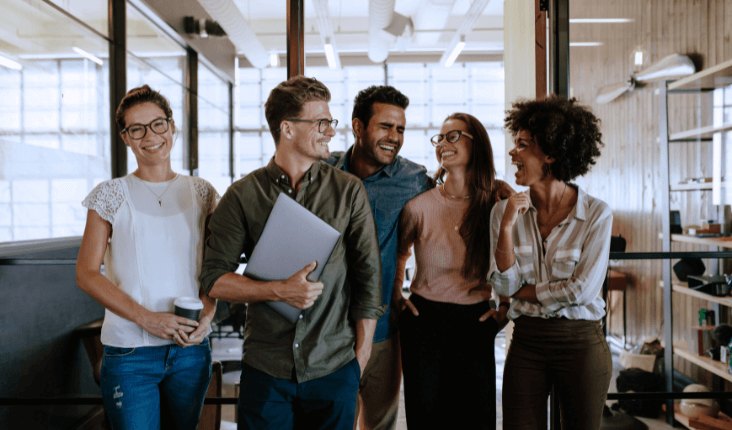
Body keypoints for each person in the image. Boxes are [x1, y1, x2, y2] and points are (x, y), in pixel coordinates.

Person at [199, 75, 384, 430]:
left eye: (331, 122)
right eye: (321, 122)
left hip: (334, 364)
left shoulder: (348, 191)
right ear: (287, 128)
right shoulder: (243, 195)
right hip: (267, 368)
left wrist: (360, 357)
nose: (331, 131)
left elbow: (369, 279)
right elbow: (214, 279)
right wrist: (278, 290)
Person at [76, 85, 218, 429]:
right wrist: (147, 319)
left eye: (157, 124)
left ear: (172, 127)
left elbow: (218, 267)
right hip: (129, 354)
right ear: (126, 138)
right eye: (136, 129)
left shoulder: (203, 192)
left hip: (190, 351)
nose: (150, 136)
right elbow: (87, 273)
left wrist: (207, 315)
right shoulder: (109, 194)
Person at [490, 95, 612, 429]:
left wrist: (522, 291)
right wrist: (506, 226)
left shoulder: (597, 214)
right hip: (526, 341)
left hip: (581, 343)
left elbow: (582, 292)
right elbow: (502, 285)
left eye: (523, 145)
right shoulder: (504, 212)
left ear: (552, 153)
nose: (513, 153)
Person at [392, 113, 512, 430]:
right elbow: (400, 254)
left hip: (475, 321)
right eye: (440, 138)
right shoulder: (419, 206)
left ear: (478, 144)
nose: (443, 144)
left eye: (453, 136)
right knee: (426, 417)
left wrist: (506, 306)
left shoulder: (496, 202)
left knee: (477, 417)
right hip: (424, 320)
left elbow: (513, 263)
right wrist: (397, 299)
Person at [325, 85, 433, 430]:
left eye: (400, 129)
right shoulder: (322, 171)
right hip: (324, 329)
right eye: (385, 126)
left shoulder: (413, 180)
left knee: (379, 424)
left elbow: (460, 194)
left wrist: (498, 190)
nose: (395, 137)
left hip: (384, 327)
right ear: (358, 127)